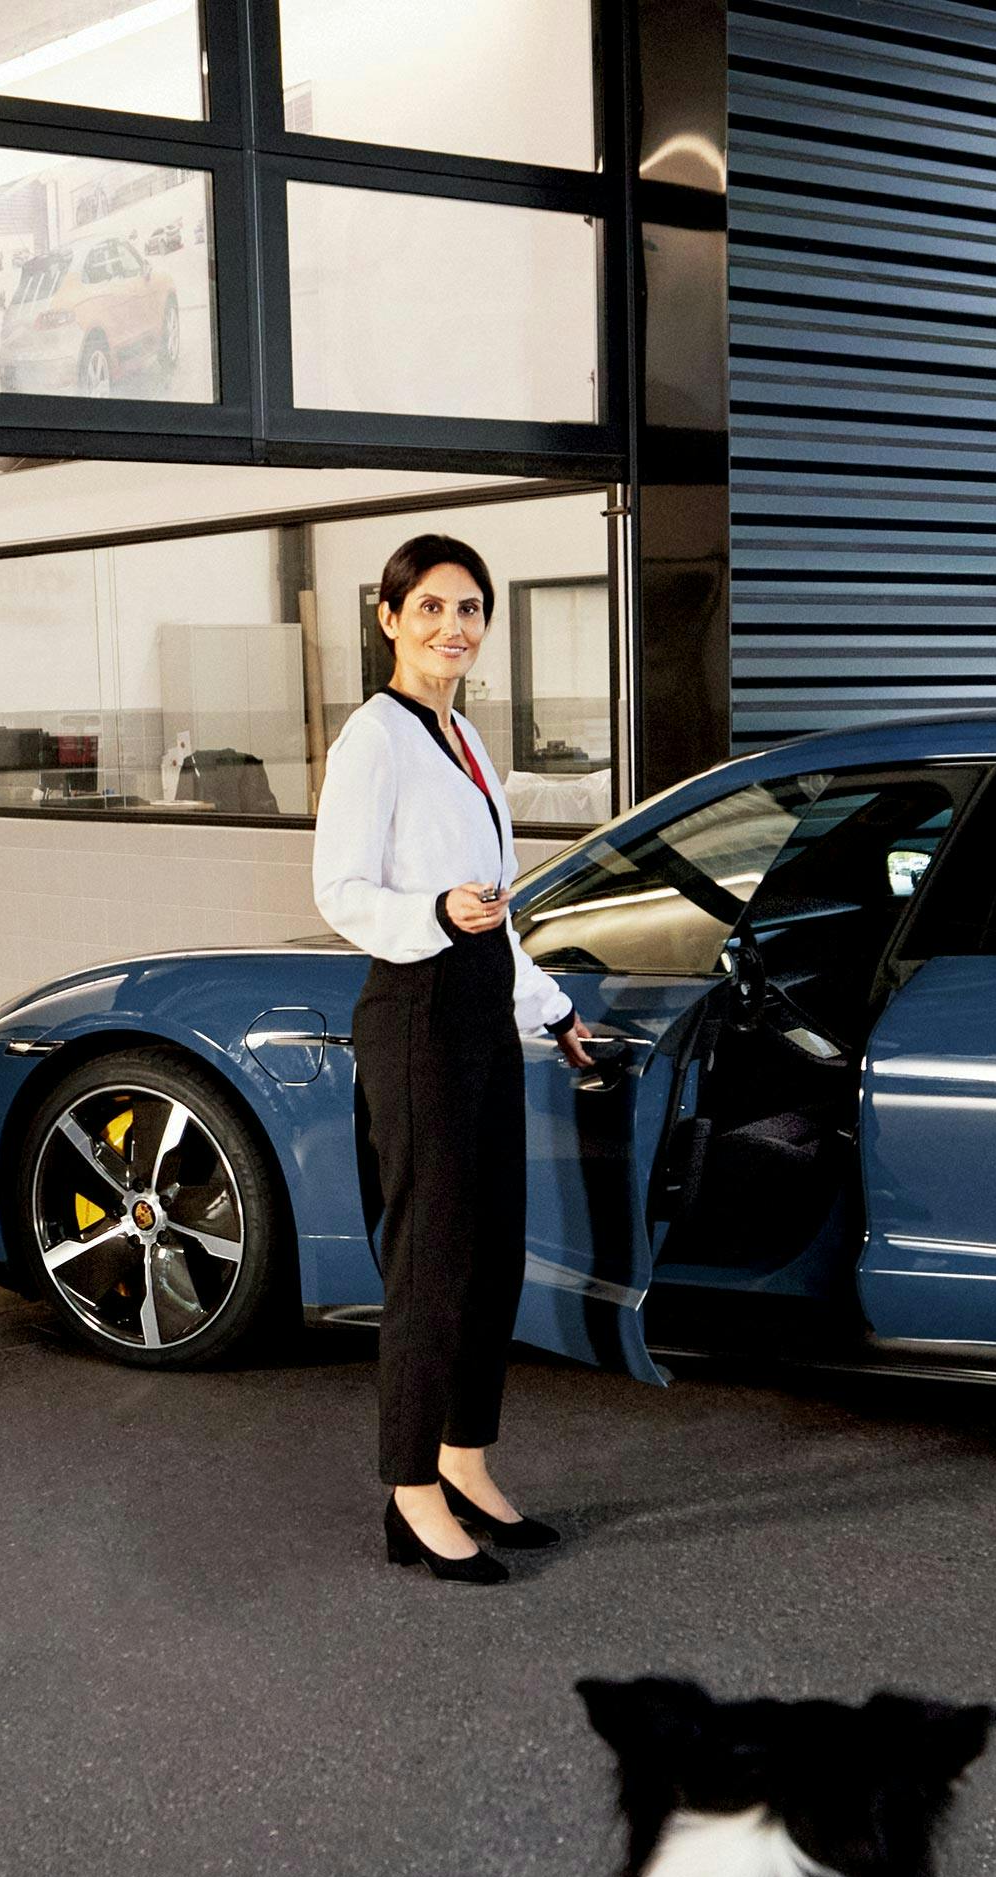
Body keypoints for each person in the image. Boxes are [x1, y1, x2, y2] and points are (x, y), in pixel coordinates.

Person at [312, 536, 599, 1585]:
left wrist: (550, 1007)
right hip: (415, 1009)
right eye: (429, 607)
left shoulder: (465, 738)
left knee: (491, 1255)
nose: (452, 627)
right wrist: (432, 910)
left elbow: (497, 914)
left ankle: (463, 1455)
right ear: (388, 618)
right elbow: (339, 891)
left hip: (477, 1006)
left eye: (469, 608)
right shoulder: (374, 739)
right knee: (430, 1264)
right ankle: (408, 1489)